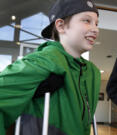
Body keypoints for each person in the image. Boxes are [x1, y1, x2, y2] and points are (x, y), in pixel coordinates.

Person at [0, 0, 101, 135]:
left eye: (96, 23)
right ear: (61, 25)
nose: (95, 29)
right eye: (86, 21)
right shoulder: (43, 61)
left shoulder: (93, 72)